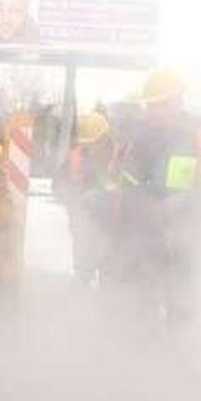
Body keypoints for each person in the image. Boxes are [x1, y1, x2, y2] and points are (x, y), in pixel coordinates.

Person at [113, 69, 201, 321]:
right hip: (148, 242)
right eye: (150, 106)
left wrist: (184, 207)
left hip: (189, 244)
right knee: (143, 311)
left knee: (183, 311)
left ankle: (178, 354)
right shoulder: (141, 140)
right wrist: (146, 212)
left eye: (159, 105)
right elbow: (129, 188)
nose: (152, 112)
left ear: (177, 102)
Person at [54, 112, 118, 287]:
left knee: (110, 275)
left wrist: (102, 196)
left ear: (105, 138)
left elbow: (126, 190)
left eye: (95, 143)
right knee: (82, 272)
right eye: (87, 144)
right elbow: (58, 185)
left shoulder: (118, 156)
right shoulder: (75, 156)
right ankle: (81, 294)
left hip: (111, 228)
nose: (90, 149)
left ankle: (107, 297)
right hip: (82, 226)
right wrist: (72, 198)